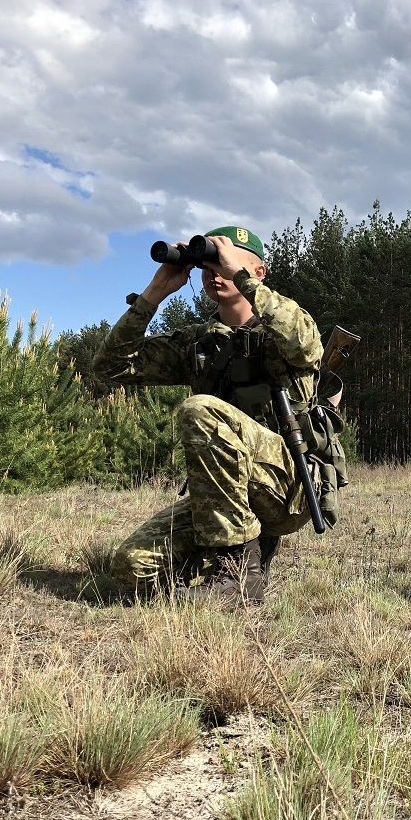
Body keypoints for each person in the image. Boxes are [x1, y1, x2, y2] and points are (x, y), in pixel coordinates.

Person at [93, 226, 323, 602]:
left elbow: (305, 345)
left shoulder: (285, 326)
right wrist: (155, 292)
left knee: (201, 410)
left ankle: (239, 576)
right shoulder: (199, 343)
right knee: (131, 567)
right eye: (208, 264)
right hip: (221, 493)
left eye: (223, 262)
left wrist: (240, 276)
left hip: (287, 486)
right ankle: (226, 559)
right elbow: (110, 366)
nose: (215, 272)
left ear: (258, 271)